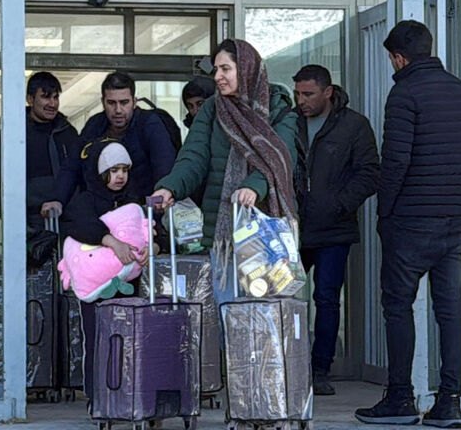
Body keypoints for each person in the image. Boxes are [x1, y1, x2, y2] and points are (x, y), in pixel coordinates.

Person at [356, 20, 461, 429]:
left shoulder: (404, 93)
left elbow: (395, 161)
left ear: (398, 57)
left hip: (410, 220)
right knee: (450, 312)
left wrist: (385, 213)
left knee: (398, 308)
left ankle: (400, 399)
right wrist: (460, 202)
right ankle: (450, 402)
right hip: (454, 222)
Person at [151, 38, 300, 258]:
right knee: (225, 291)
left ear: (246, 70)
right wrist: (170, 187)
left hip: (268, 230)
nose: (217, 77)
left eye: (226, 69)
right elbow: (193, 157)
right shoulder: (212, 109)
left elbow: (280, 159)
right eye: (216, 70)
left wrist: (253, 188)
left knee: (265, 292)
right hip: (221, 230)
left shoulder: (278, 109)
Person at [292, 64, 380, 397]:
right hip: (293, 227)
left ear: (328, 92)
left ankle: (320, 369)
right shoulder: (290, 122)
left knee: (326, 300)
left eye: (309, 94)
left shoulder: (353, 125)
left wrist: (340, 205)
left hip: (333, 229)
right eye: (298, 93)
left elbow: (370, 173)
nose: (302, 101)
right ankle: (288, 365)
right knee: (285, 299)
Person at [61, 139, 151, 408]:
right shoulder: (86, 199)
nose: (120, 176)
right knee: (97, 337)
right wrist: (111, 241)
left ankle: (128, 392)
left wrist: (152, 247)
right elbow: (77, 224)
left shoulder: (134, 200)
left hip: (130, 283)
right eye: (113, 170)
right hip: (96, 289)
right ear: (101, 173)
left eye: (124, 169)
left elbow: (150, 230)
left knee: (131, 337)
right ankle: (97, 395)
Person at [56, 71, 177, 208]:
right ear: (103, 102)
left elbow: (164, 168)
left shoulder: (150, 124)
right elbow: (73, 165)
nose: (118, 110)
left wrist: (156, 209)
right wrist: (58, 200)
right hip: (100, 211)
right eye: (111, 103)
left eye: (124, 102)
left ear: (134, 102)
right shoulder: (94, 125)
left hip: (142, 210)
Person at [0, 71, 79, 233]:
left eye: (55, 97)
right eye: (45, 97)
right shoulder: (12, 134)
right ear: (30, 99)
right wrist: (19, 225)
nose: (52, 103)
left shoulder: (68, 133)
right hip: (29, 225)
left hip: (68, 222)